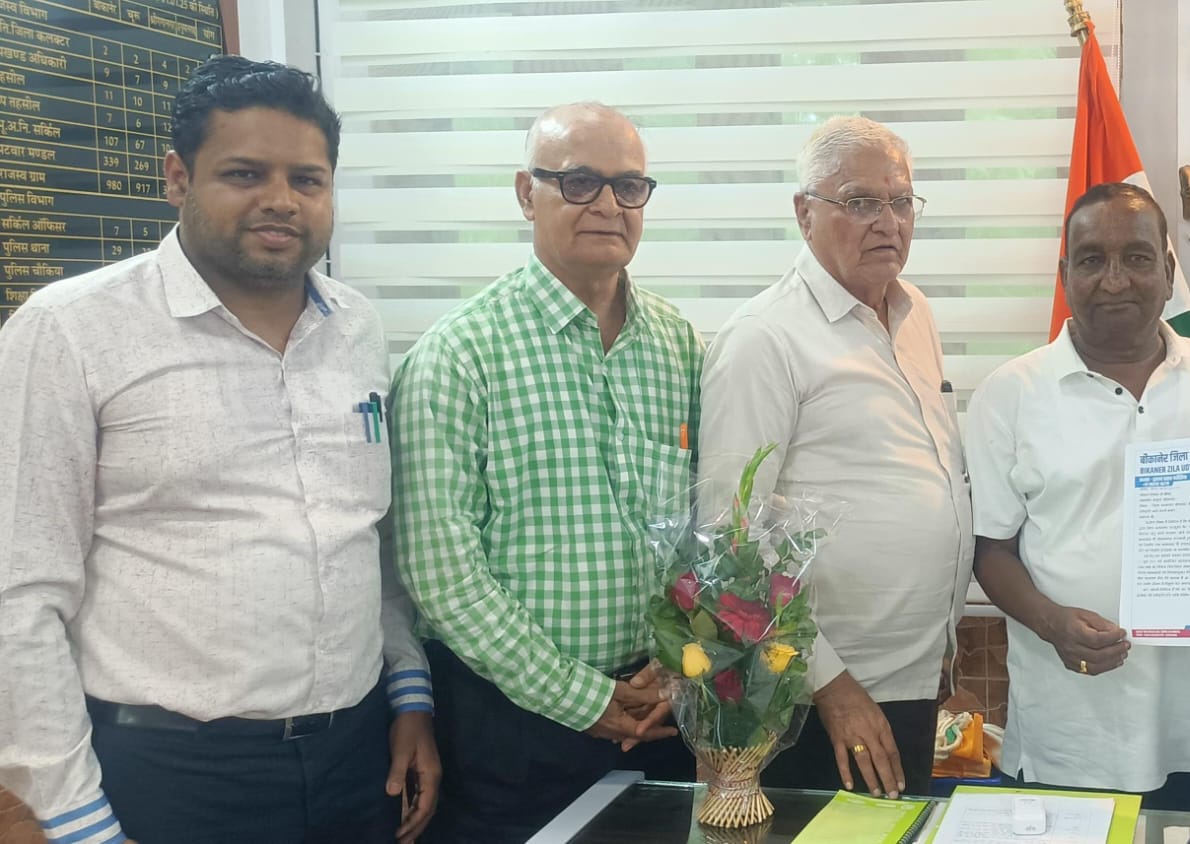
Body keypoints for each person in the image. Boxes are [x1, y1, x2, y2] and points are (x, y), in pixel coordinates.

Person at [0, 56, 439, 844]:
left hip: (356, 758)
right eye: (245, 173)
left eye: (307, 179)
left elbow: (364, 539)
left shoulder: (358, 329)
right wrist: (76, 818)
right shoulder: (69, 329)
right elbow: (19, 592)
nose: (281, 199)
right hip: (172, 775)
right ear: (178, 177)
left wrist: (409, 696)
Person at [389, 102, 700, 842]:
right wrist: (581, 698)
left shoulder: (680, 346)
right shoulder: (459, 355)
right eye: (580, 182)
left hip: (659, 715)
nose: (608, 205)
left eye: (629, 186)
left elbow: (703, 530)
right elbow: (441, 572)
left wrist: (678, 667)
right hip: (510, 728)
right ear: (527, 193)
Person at [698, 116, 973, 799]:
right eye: (860, 202)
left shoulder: (916, 313)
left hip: (914, 681)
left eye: (901, 201)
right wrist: (830, 684)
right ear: (804, 213)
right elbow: (728, 543)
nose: (888, 222)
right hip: (822, 703)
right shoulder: (763, 338)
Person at [966, 183, 1190, 812]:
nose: (1115, 280)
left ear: (1169, 271)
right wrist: (1051, 623)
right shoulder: (1010, 393)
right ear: (1065, 274)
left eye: (1137, 258)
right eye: (1093, 259)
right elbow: (991, 550)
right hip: (1068, 731)